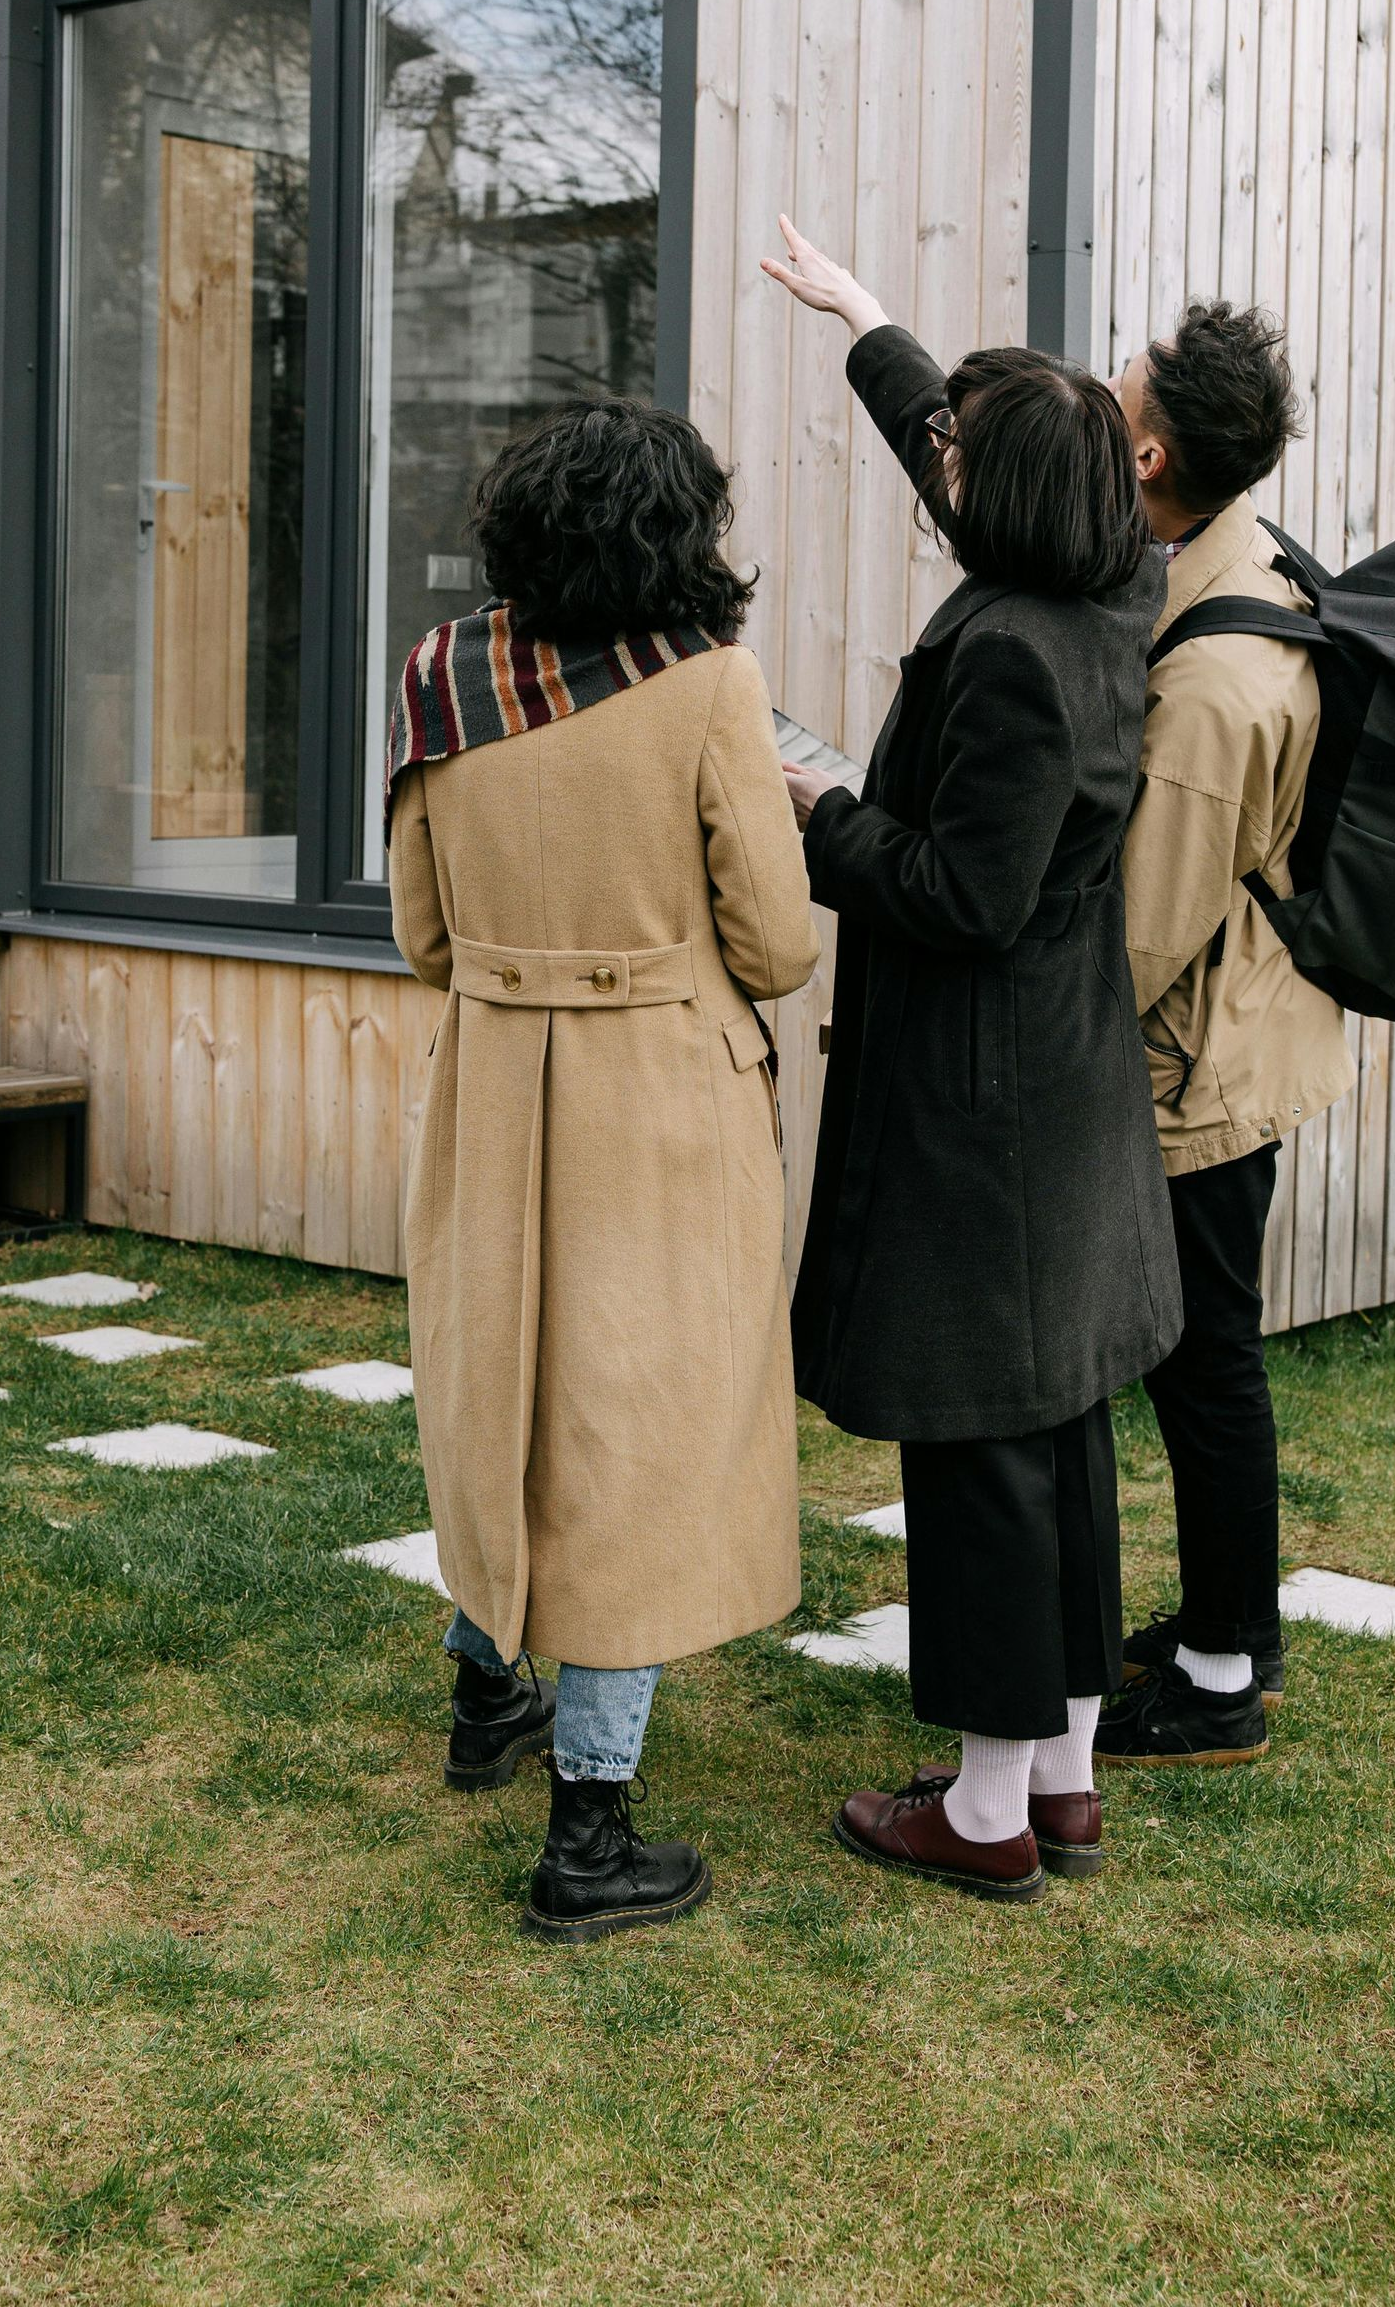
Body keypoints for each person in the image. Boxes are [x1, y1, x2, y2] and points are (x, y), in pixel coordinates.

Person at [762, 217, 1181, 1902]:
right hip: (1063, 1093)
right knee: (1059, 1427)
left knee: (982, 1454)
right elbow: (978, 460)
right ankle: (1061, 1780)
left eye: (957, 452)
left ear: (1000, 506)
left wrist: (820, 813)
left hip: (985, 1111)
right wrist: (869, 323)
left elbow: (964, 896)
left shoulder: (1010, 654)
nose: (940, 463)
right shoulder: (1117, 583)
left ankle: (988, 1813)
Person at [387, 397, 819, 1942]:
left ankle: (485, 1694)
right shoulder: (709, 683)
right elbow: (778, 942)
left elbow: (422, 936)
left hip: (494, 1090)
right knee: (632, 1436)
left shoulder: (442, 677)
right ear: (674, 539)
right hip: (661, 1109)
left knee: (498, 1392)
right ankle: (590, 1833)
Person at [1091, 304, 1356, 1768]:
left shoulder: (1211, 685)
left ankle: (1219, 1678)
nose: (1106, 382)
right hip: (1248, 1025)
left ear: (1149, 452)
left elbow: (1148, 931)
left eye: (1120, 382)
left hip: (1206, 1062)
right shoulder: (1232, 553)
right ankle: (1230, 1623)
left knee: (1205, 1365)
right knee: (1208, 1358)